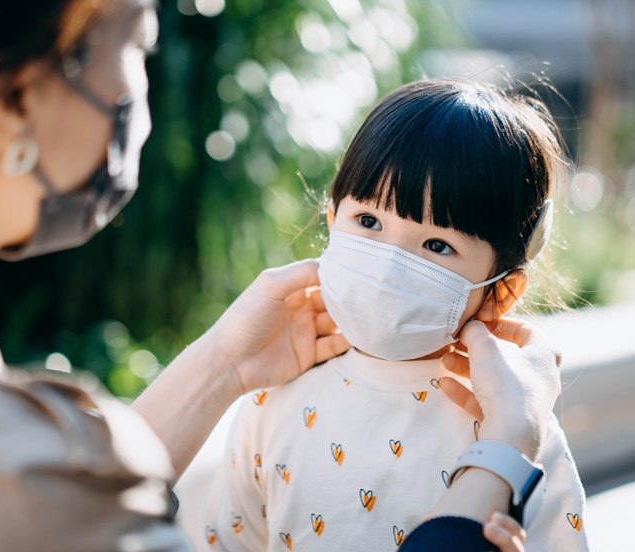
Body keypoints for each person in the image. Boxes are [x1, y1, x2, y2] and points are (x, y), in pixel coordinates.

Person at [0, 1, 560, 550]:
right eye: (136, 41)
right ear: (14, 97)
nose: (140, 91)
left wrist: (226, 363)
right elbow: (50, 508)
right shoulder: (12, 481)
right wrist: (502, 455)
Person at [201, 79, 588, 551]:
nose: (387, 262)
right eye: (368, 221)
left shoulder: (516, 435)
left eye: (437, 245)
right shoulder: (273, 400)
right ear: (332, 221)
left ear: (499, 292)